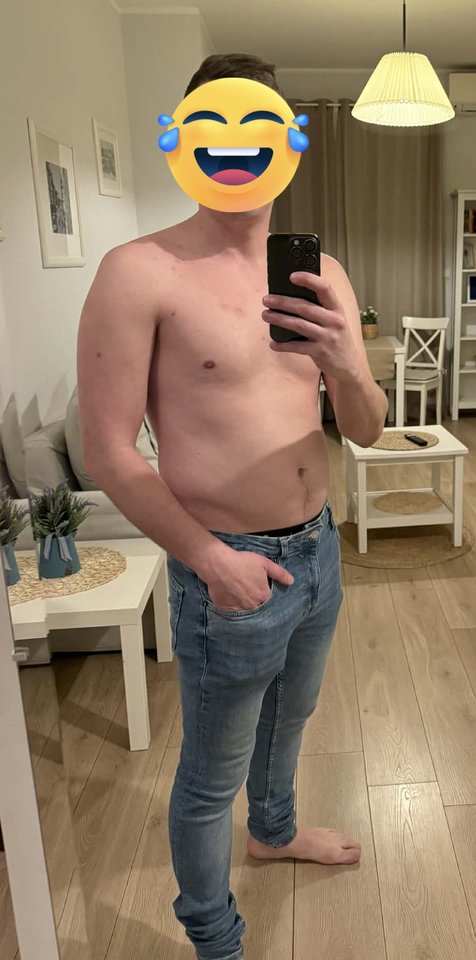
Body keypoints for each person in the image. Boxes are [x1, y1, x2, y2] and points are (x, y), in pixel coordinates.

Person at [78, 52, 388, 960]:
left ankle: (275, 832)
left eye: (257, 129)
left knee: (292, 720)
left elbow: (365, 430)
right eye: (215, 127)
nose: (237, 149)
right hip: (226, 563)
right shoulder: (140, 272)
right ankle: (215, 939)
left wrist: (348, 365)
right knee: (211, 776)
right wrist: (209, 560)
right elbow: (108, 450)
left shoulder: (321, 272)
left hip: (318, 547)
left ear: (288, 142)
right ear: (182, 141)